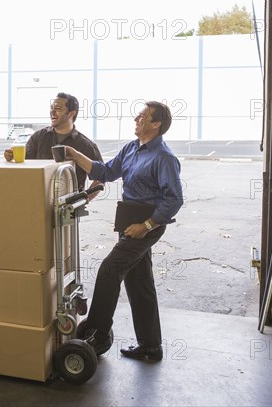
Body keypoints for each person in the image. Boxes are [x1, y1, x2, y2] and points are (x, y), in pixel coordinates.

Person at [65, 101, 183, 361]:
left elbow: (174, 199)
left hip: (146, 225)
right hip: (129, 221)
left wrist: (147, 226)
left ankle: (97, 332)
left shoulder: (164, 157)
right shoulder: (132, 148)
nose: (136, 119)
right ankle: (151, 347)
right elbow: (105, 172)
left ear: (156, 124)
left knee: (109, 270)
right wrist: (75, 154)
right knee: (139, 283)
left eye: (143, 116)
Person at [4, 92, 103, 192]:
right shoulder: (38, 138)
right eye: (51, 108)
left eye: (58, 108)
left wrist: (83, 200)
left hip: (71, 206)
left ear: (71, 113)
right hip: (39, 201)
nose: (52, 112)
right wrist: (11, 157)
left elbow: (101, 178)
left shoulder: (86, 145)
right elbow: (24, 166)